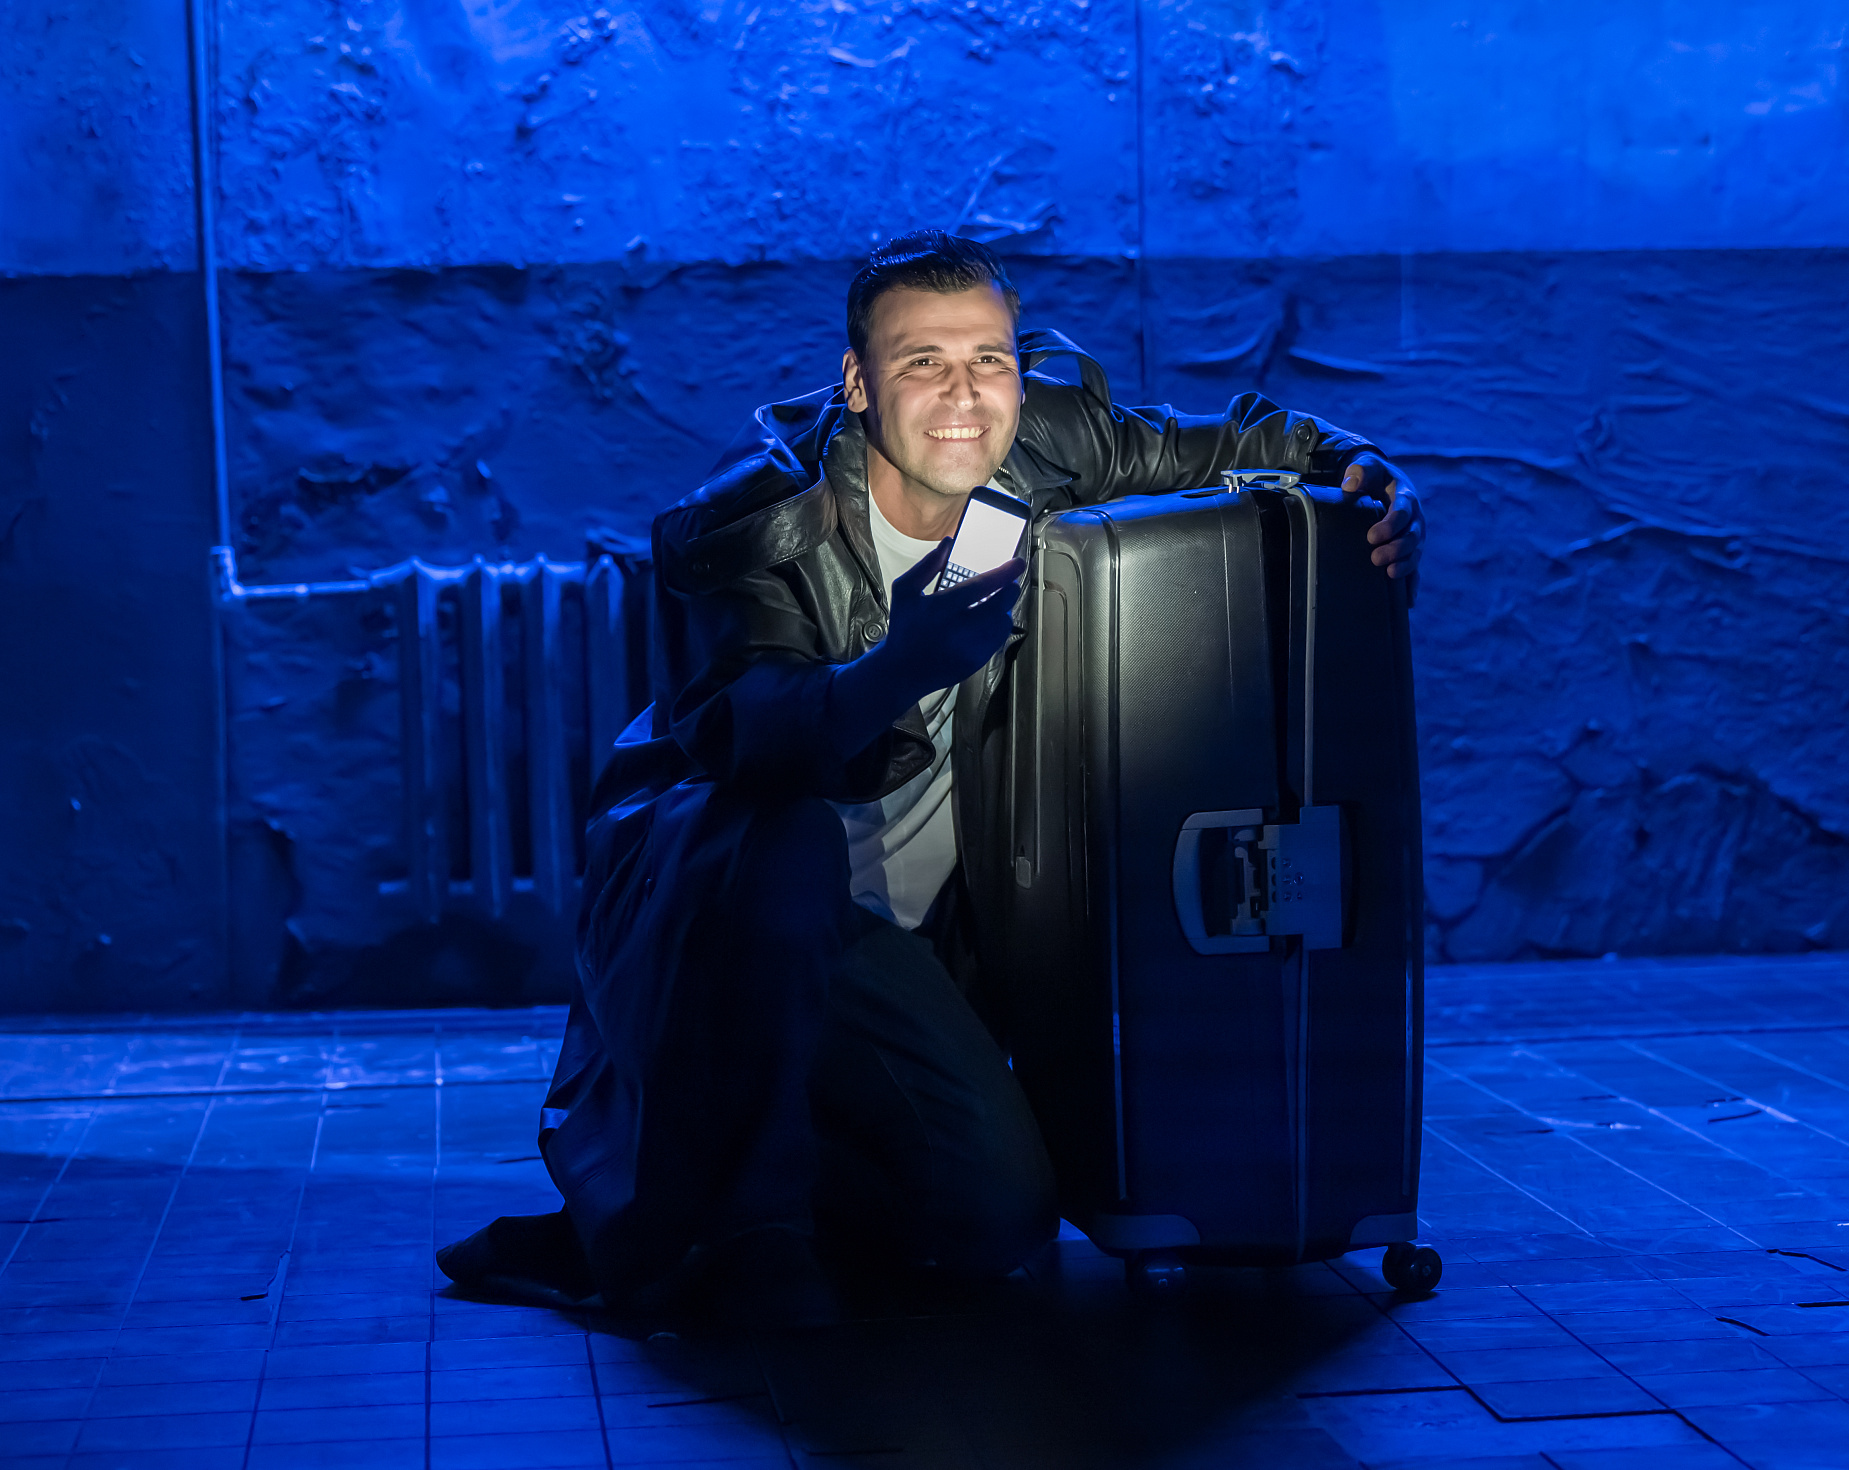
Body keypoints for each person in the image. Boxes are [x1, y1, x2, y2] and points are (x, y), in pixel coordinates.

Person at [437, 230, 1424, 1327]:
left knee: (996, 1224)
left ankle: (744, 1179)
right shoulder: (755, 523)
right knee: (788, 843)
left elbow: (1241, 440)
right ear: (858, 383)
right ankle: (730, 1229)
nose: (963, 397)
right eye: (922, 363)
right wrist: (898, 665)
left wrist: (1369, 479)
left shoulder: (1042, 442)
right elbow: (755, 745)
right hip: (728, 914)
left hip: (905, 946)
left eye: (987, 359)